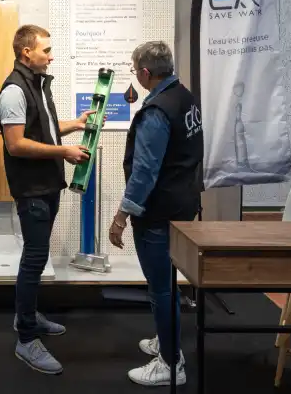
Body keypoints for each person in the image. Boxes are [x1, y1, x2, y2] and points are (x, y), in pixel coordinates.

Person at [0, 24, 96, 375]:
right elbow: (16, 144)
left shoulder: (38, 84)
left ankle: (28, 315)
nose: (51, 56)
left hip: (48, 186)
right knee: (34, 259)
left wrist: (76, 124)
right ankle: (25, 338)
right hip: (33, 190)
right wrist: (64, 151)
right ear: (27, 52)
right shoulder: (14, 90)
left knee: (37, 259)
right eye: (46, 50)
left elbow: (47, 129)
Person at [108, 40, 203, 387]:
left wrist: (121, 217)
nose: (136, 76)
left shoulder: (156, 112)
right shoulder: (184, 97)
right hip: (181, 204)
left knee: (160, 288)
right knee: (165, 285)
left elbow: (144, 173)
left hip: (159, 212)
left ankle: (170, 362)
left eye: (136, 72)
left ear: (146, 73)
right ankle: (167, 340)